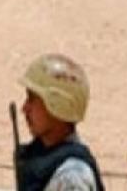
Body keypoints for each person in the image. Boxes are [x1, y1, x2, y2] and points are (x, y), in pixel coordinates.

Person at [14, 53, 105, 191]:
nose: (25, 109)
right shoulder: (40, 158)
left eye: (32, 99)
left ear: (57, 105)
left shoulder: (72, 178)